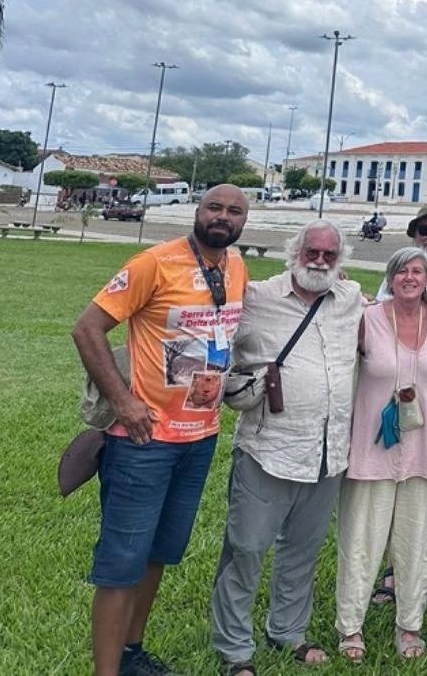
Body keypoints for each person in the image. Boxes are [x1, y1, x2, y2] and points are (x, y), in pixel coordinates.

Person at [70, 184, 249, 676]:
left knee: (159, 553)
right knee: (121, 561)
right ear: (197, 210)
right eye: (215, 206)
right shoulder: (154, 263)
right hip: (144, 440)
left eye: (234, 211)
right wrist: (123, 402)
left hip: (200, 437)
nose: (223, 216)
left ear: (242, 222)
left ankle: (132, 653)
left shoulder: (235, 268)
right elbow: (87, 329)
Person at [209, 219, 363, 676]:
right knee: (246, 549)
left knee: (303, 549)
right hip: (267, 449)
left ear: (341, 261)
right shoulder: (256, 298)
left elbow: (396, 313)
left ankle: (288, 631)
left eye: (329, 256)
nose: (318, 262)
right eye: (311, 252)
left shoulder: (350, 299)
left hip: (328, 451)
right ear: (294, 252)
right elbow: (213, 338)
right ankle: (235, 649)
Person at [335, 247, 427, 663]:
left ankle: (409, 625)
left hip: (424, 447)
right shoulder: (367, 319)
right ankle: (350, 627)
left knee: (417, 542)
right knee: (362, 540)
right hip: (372, 446)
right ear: (390, 276)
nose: (410, 277)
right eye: (402, 270)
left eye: (418, 271)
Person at [373, 203, 427, 606]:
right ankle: (395, 570)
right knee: (399, 475)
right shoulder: (398, 275)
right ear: (414, 234)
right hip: (406, 393)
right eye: (425, 229)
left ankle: (424, 568)